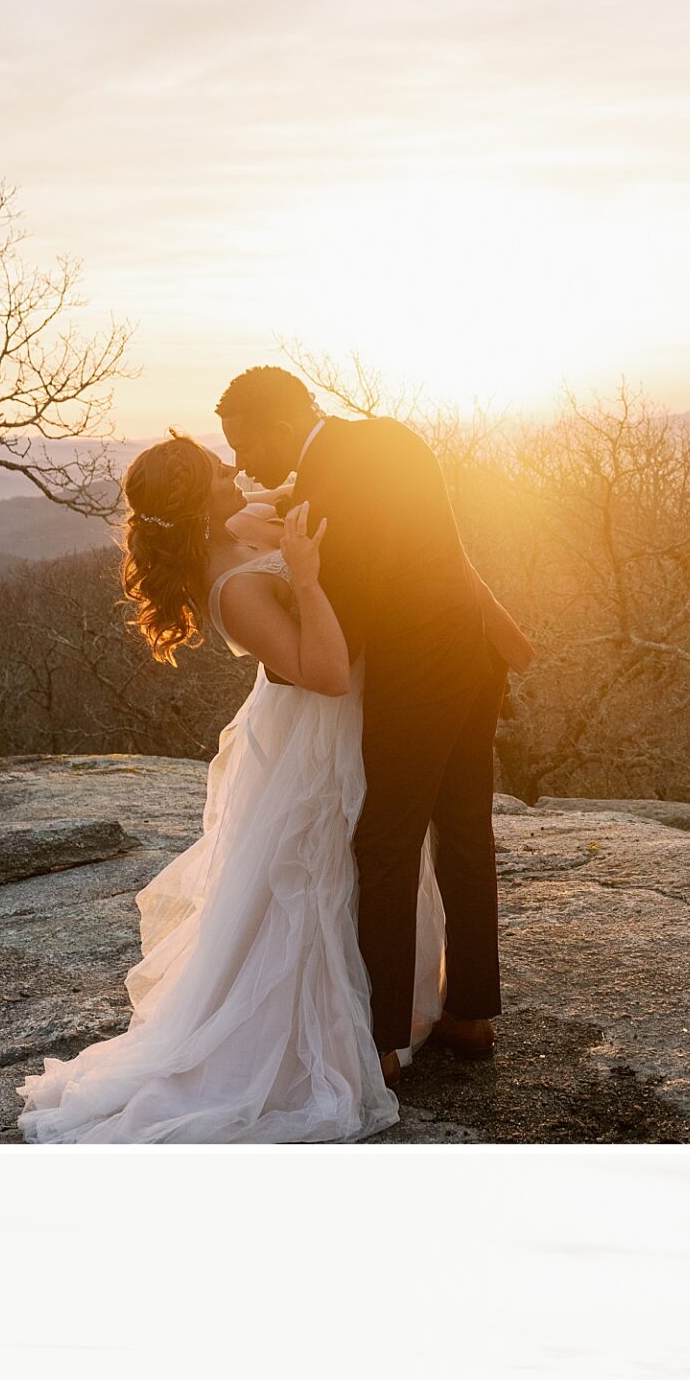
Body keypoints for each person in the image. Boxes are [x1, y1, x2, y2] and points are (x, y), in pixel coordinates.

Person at [19, 439, 450, 1142]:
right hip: (314, 738)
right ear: (197, 503)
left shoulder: (226, 527)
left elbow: (271, 497)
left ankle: (385, 1010)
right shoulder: (234, 589)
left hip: (311, 730)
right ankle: (323, 1034)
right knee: (315, 879)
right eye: (220, 474)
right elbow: (327, 673)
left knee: (348, 870)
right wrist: (307, 579)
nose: (234, 473)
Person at [218, 366, 532, 1082]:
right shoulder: (386, 439)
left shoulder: (335, 484)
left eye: (244, 444)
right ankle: (472, 1013)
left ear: (279, 424)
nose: (242, 465)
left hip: (420, 672)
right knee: (463, 826)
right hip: (474, 657)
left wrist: (281, 662)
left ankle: (382, 1043)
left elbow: (349, 621)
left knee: (384, 840)